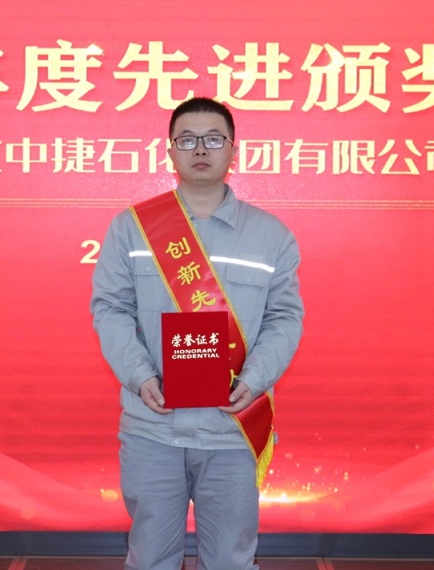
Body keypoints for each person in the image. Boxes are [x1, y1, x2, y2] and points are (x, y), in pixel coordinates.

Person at [91, 97, 304, 570]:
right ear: (170, 151)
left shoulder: (271, 235)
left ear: (233, 150)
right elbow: (111, 309)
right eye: (187, 140)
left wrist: (255, 379)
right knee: (150, 559)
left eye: (213, 139)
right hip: (153, 427)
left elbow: (284, 318)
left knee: (230, 560)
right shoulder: (131, 229)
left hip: (232, 428)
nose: (200, 149)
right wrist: (139, 376)